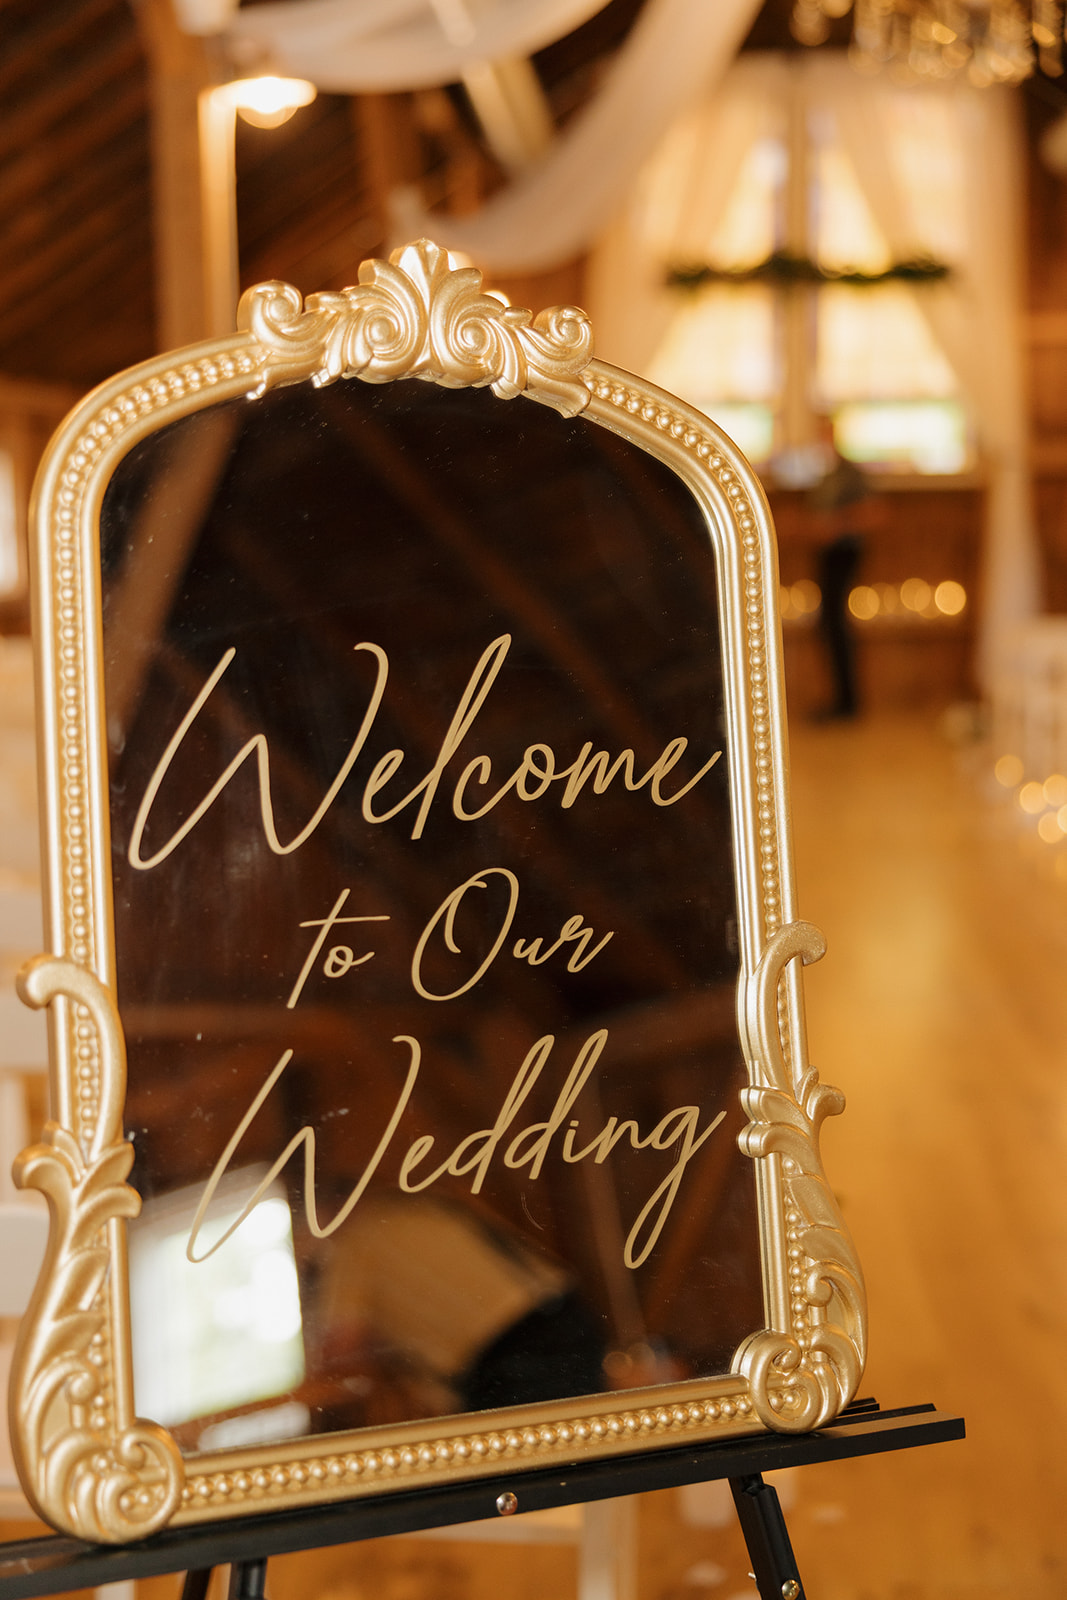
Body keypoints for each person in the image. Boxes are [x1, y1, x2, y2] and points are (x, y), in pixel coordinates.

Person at [804, 415, 879, 721]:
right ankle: (837, 699)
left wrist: (836, 525)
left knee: (837, 625)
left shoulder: (850, 473)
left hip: (844, 553)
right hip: (825, 554)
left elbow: (875, 512)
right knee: (827, 625)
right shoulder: (825, 475)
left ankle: (847, 703)